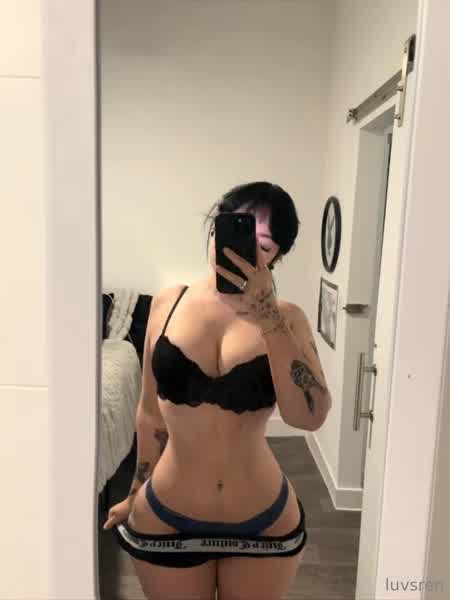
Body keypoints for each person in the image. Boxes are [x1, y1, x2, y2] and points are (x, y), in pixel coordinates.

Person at [103, 181, 332, 600]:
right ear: (215, 226)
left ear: (277, 256)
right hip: (166, 515)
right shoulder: (168, 304)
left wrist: (268, 316)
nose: (246, 249)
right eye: (236, 227)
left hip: (263, 520)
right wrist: (134, 492)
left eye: (264, 245)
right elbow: (150, 414)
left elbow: (309, 416)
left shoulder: (288, 319)